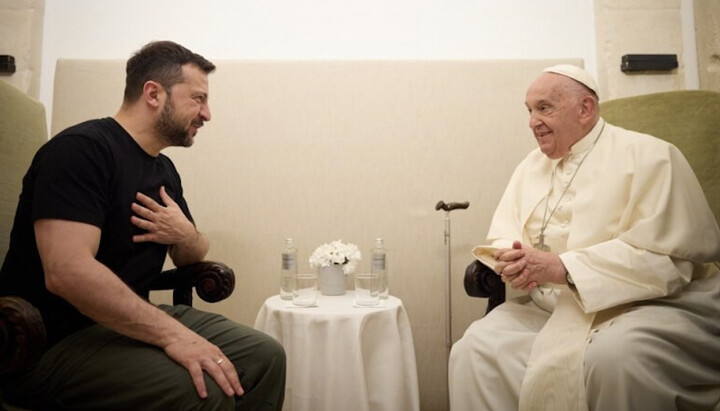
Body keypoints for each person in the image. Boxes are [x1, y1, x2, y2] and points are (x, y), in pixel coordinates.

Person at [0, 40, 286, 410]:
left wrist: (186, 234)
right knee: (202, 389)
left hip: (123, 323)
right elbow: (67, 272)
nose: (207, 114)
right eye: (198, 98)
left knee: (266, 356)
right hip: (51, 340)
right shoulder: (81, 150)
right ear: (153, 93)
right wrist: (174, 336)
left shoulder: (163, 169)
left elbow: (192, 255)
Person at [448, 64, 720, 410]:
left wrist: (564, 268)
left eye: (544, 108)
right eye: (529, 110)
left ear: (585, 109)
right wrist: (510, 259)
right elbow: (503, 236)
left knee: (615, 358)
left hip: (648, 306)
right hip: (553, 308)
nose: (533, 121)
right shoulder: (530, 166)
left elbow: (669, 263)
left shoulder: (652, 156)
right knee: (475, 350)